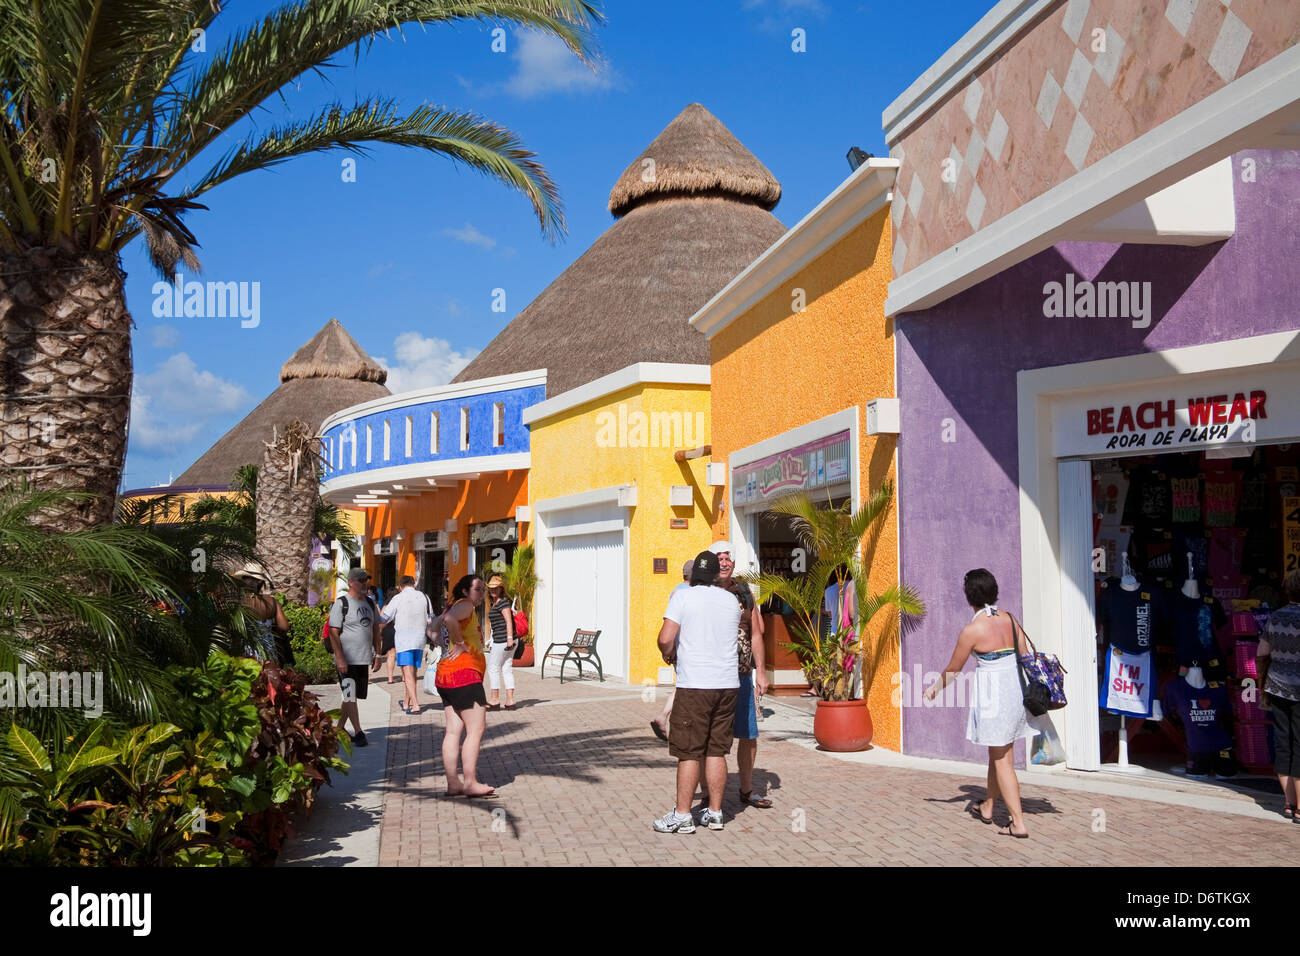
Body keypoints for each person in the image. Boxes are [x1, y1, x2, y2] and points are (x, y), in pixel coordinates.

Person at [923, 568, 1037, 839]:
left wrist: (934, 690)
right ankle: (988, 806)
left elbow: (954, 669)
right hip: (1016, 693)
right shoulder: (1010, 619)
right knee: (997, 753)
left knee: (1003, 760)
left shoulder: (972, 630)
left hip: (994, 697)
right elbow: (1026, 655)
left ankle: (1018, 823)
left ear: (968, 596)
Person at [653, 550, 741, 834]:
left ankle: (681, 815)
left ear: (692, 577)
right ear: (717, 575)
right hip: (727, 684)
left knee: (689, 751)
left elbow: (665, 638)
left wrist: (670, 654)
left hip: (695, 686)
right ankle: (715, 812)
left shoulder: (683, 596)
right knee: (717, 750)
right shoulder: (731, 600)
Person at [712, 541, 772, 809]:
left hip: (742, 676)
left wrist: (761, 672)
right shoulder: (702, 590)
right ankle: (707, 794)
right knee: (710, 737)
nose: (724, 562)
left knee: (748, 735)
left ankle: (747, 790)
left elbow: (757, 634)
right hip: (711, 678)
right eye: (719, 558)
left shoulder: (745, 592)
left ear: (734, 563)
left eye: (728, 558)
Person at [435, 574, 496, 798]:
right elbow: (450, 620)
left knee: (453, 730)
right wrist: (460, 643)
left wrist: (447, 641)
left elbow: (433, 629)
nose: (482, 594)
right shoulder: (465, 606)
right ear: (465, 591)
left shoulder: (453, 606)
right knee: (476, 729)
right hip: (464, 675)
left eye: (483, 589)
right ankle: (470, 782)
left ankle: (454, 783)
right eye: (478, 589)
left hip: (446, 675)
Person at [1257, 568, 1300, 821]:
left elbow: (1262, 652)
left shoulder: (1277, 616)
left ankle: (1288, 803)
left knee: (1284, 742)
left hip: (1278, 686)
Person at [329, 568, 382, 746]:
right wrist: (340, 658)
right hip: (347, 659)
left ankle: (338, 729)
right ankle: (359, 732)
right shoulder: (341, 603)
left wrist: (378, 654)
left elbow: (376, 629)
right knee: (350, 694)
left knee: (352, 696)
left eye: (365, 580)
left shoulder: (369, 603)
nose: (364, 583)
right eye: (360, 580)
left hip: (363, 658)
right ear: (350, 582)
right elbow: (333, 632)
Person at [650, 559, 694, 742]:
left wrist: (668, 650)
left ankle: (665, 717)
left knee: (682, 684)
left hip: (676, 646)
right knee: (685, 685)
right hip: (685, 647)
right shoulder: (689, 593)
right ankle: (665, 717)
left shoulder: (675, 590)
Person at [383, 575, 432, 715]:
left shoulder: (397, 598)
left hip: (404, 641)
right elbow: (431, 618)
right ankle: (406, 702)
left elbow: (384, 618)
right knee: (413, 673)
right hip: (420, 640)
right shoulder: (424, 597)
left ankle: (415, 705)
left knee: (407, 672)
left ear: (400, 586)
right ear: (414, 584)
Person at [234, 563, 292, 665]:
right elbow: (284, 627)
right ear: (260, 581)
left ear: (243, 580)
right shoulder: (272, 601)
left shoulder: (239, 602)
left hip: (247, 651)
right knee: (270, 677)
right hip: (269, 650)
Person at [484, 575, 518, 709]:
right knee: (506, 668)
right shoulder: (497, 603)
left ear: (500, 589)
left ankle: (494, 699)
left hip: (503, 640)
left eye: (495, 588)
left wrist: (509, 638)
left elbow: (509, 620)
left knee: (492, 667)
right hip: (504, 639)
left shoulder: (503, 602)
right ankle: (510, 700)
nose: (493, 591)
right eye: (491, 588)